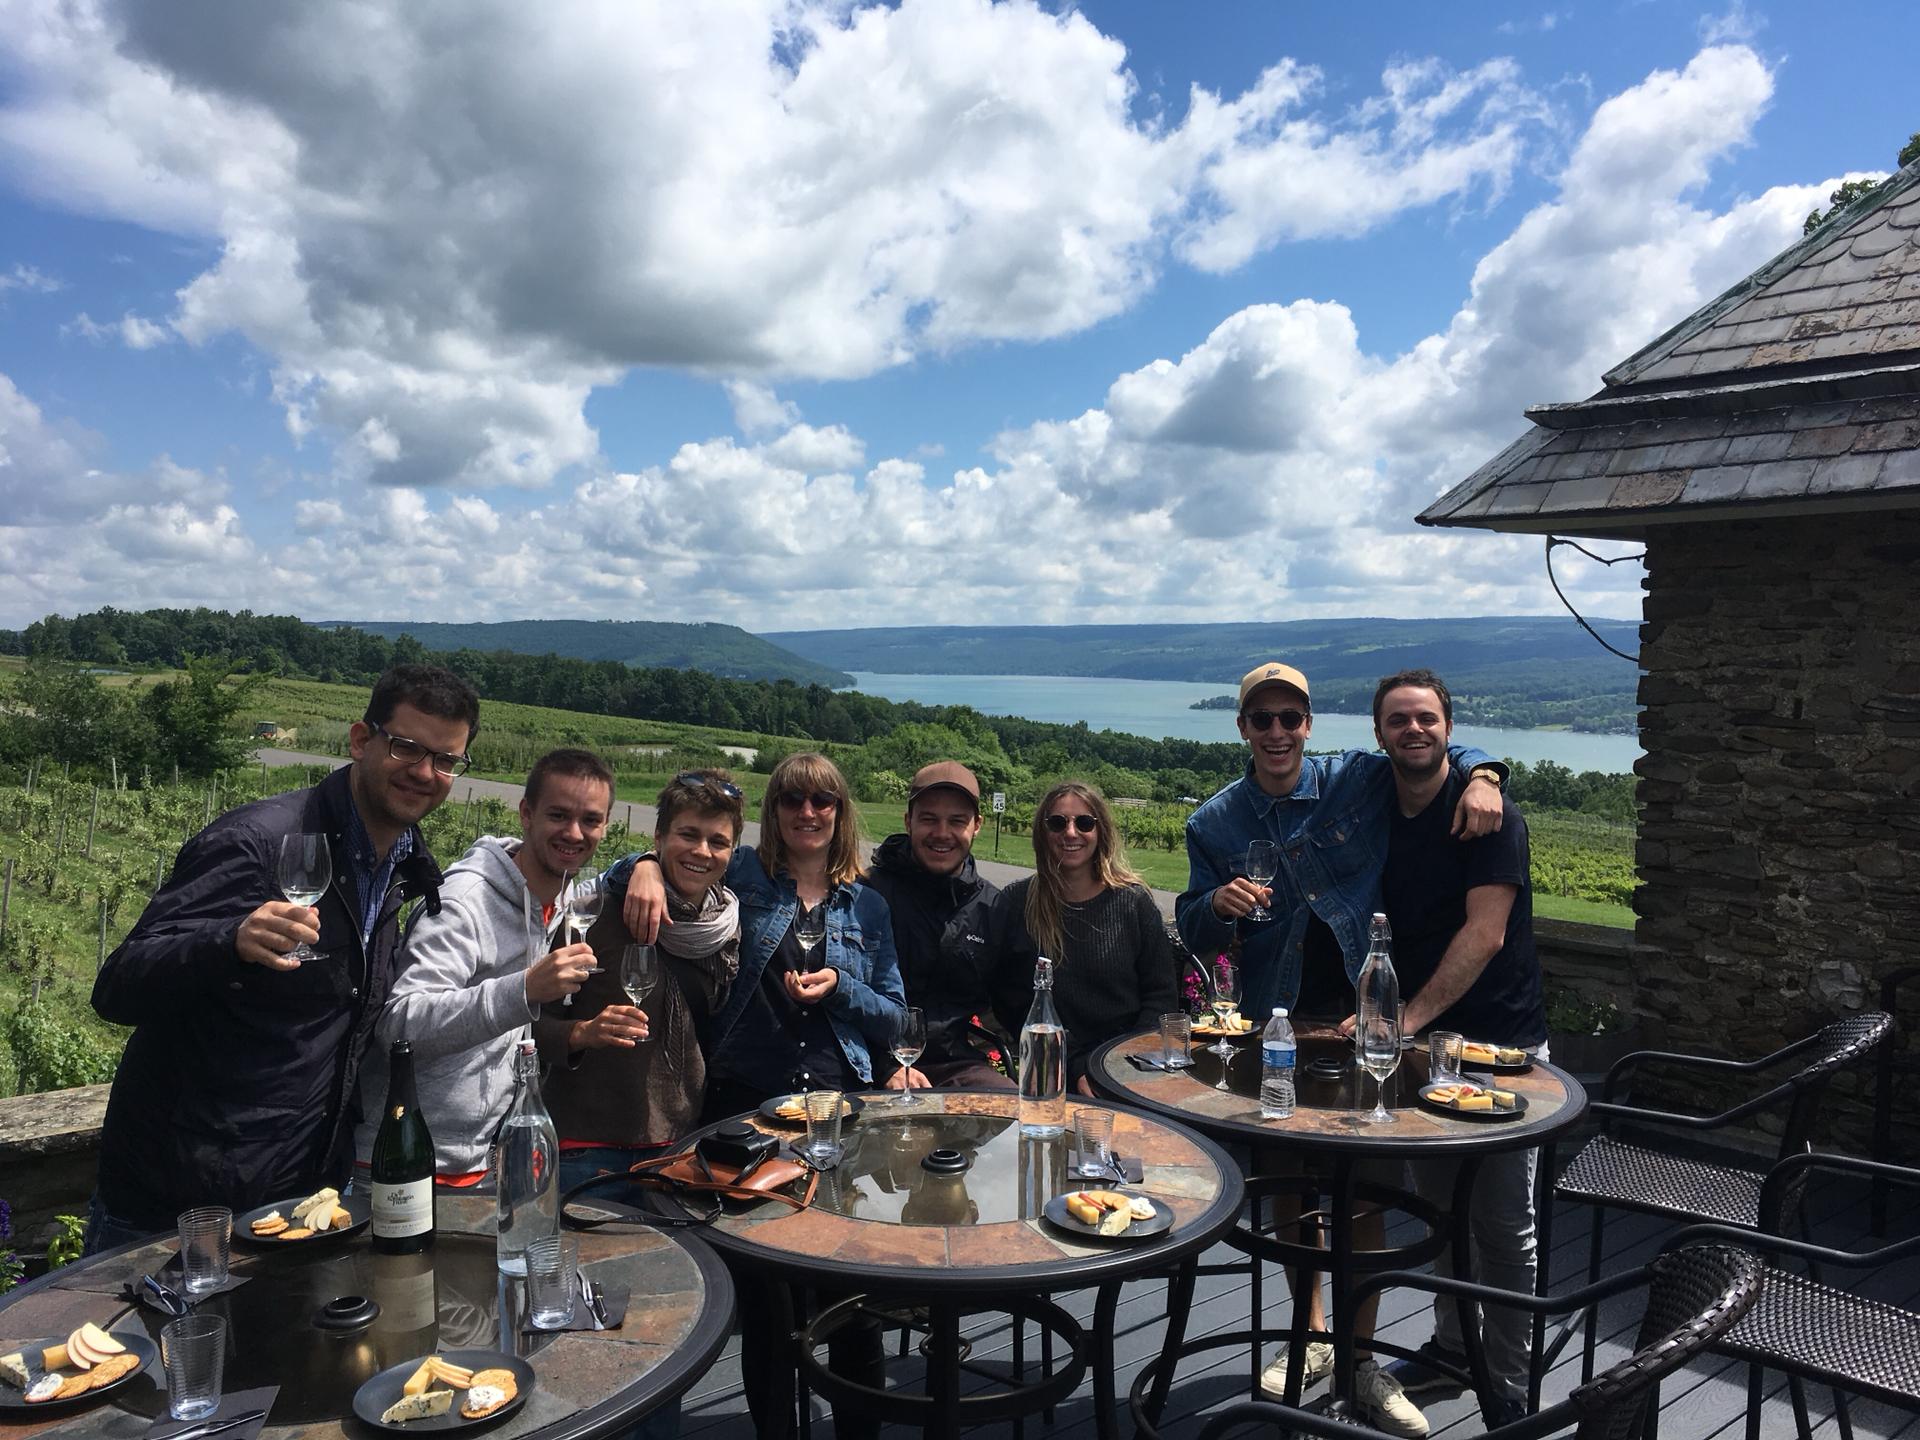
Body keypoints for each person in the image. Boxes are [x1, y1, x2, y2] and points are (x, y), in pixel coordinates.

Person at [1175, 660, 1507, 1433]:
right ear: (1244, 730)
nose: (1279, 733)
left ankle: (1359, 1365)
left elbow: (1428, 744)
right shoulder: (1215, 823)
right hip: (1278, 1025)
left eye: (1292, 718)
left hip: (1367, 1019)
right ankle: (1312, 1334)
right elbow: (1191, 924)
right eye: (1263, 720)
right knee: (1290, 1186)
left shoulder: (1355, 780)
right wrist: (1214, 906)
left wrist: (1486, 772)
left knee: (1362, 1184)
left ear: (1310, 726)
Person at [86, 664, 480, 1250]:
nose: (425, 773)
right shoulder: (257, 844)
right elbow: (118, 985)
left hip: (301, 1203)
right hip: (181, 1209)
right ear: (360, 740)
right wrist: (227, 942)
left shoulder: (403, 867)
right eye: (406, 748)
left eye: (446, 760)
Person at [619, 751, 902, 1440]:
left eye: (822, 802)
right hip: (747, 1106)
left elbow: (897, 1015)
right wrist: (645, 866)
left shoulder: (867, 902)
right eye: (792, 801)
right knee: (769, 1301)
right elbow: (667, 859)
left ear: (841, 813)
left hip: (840, 1114)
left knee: (852, 1295)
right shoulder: (745, 875)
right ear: (774, 813)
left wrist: (844, 985)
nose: (808, 814)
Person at [1362, 669, 1545, 1428]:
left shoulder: (1492, 819)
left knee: (1503, 1223)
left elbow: (1486, 935)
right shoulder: (1373, 801)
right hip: (1424, 1046)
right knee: (1441, 1210)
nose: (1414, 730)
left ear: (1448, 727)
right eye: (1398, 720)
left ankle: (1506, 1379)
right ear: (1378, 735)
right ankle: (1448, 1347)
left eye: (1427, 719)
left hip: (1497, 1045)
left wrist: (1403, 1019)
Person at [361, 748, 612, 1180]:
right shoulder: (464, 904)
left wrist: (646, 865)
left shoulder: (562, 898)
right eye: (558, 816)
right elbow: (400, 1024)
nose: (574, 832)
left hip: (482, 1157)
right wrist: (524, 990)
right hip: (411, 1157)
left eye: (590, 820)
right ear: (526, 815)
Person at [542, 769, 743, 1195]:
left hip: (681, 1150)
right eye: (688, 834)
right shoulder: (593, 914)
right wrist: (581, 1033)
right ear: (658, 838)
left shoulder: (726, 930)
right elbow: (526, 1027)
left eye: (718, 841)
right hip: (587, 1149)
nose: (702, 851)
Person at [987, 781, 1179, 1092]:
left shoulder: (1133, 903)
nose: (1071, 832)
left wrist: (1121, 1068)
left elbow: (1160, 997)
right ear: (1042, 832)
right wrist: (1076, 1067)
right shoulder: (1018, 902)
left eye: (1085, 822)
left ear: (1100, 830)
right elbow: (1014, 1001)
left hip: (1129, 1067)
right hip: (1050, 1067)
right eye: (1058, 822)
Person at [863, 760, 1013, 1092]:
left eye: (956, 821)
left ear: (977, 826)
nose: (942, 833)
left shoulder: (993, 907)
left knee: (1010, 1107)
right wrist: (883, 1065)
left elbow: (1017, 1003)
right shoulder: (866, 893)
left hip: (956, 1064)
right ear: (908, 822)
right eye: (929, 819)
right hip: (868, 1060)